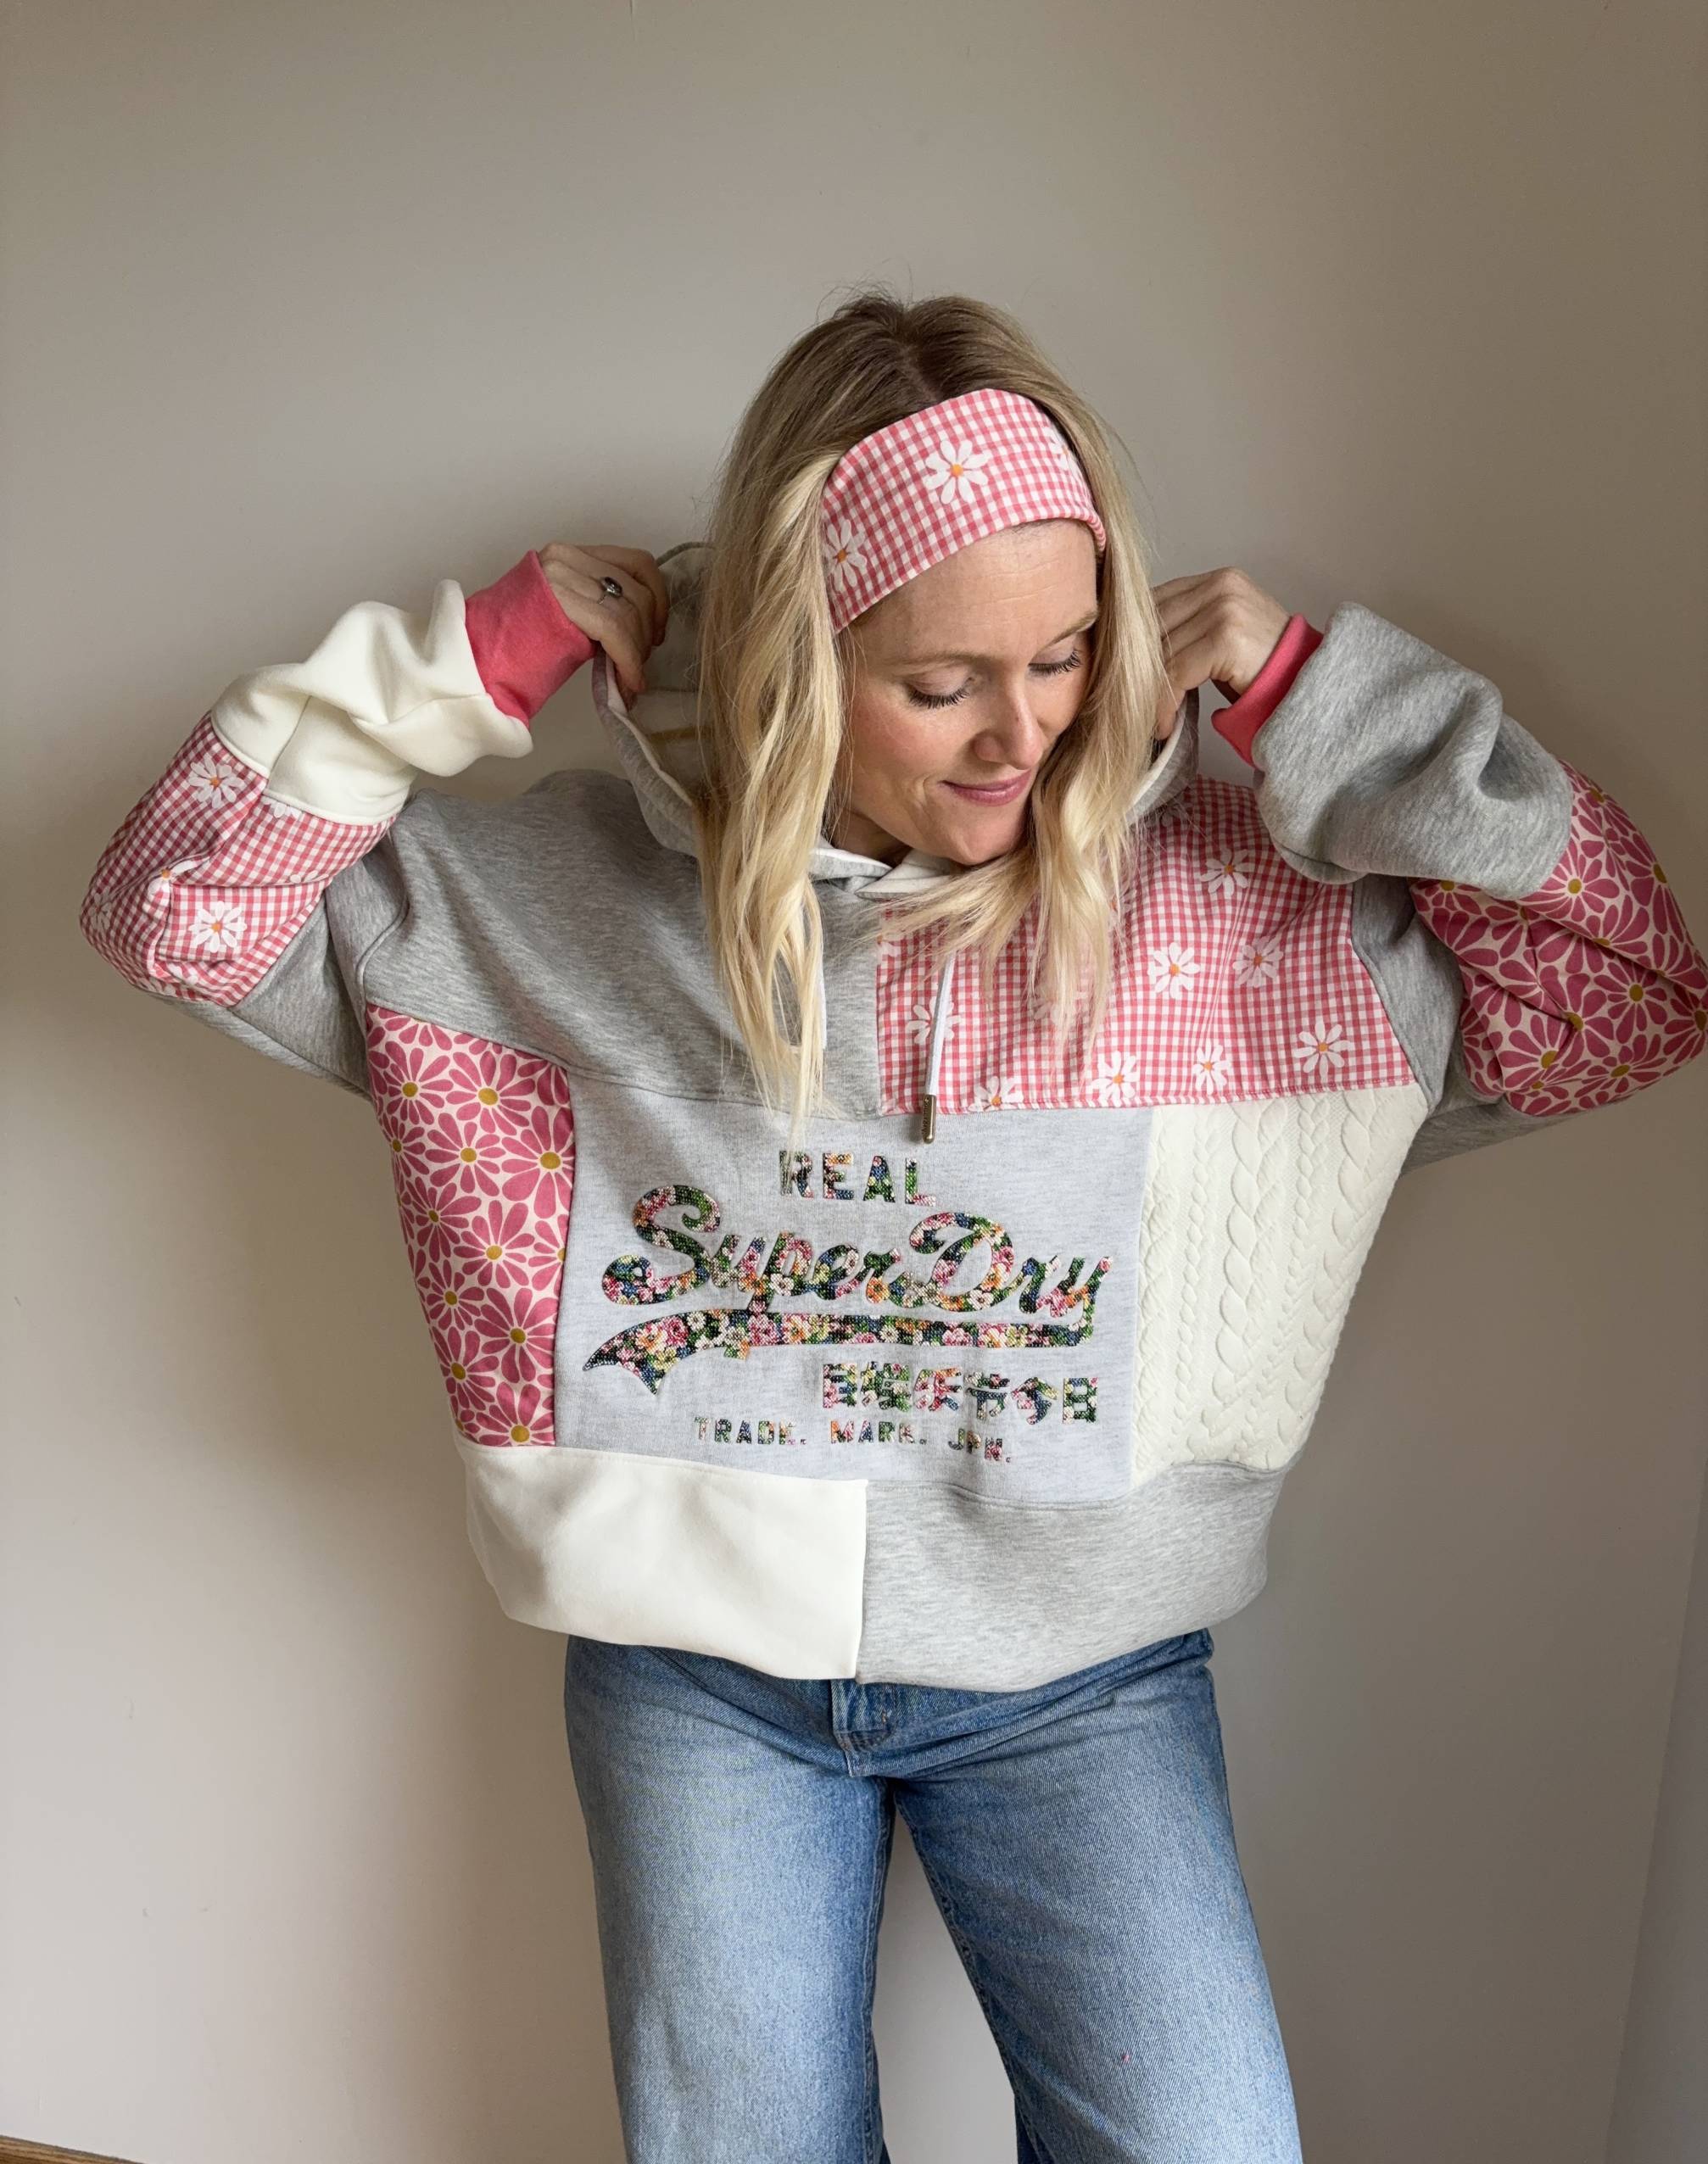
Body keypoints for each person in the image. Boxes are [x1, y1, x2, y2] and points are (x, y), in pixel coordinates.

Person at [77, 290, 1708, 2164]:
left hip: (1082, 1679)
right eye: (941, 682)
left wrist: (1314, 702)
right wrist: (472, 658)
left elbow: (1623, 995)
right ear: (787, 656)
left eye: (1066, 654)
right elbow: (173, 902)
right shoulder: (551, 908)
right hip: (696, 1678)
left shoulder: (1231, 921)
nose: (1023, 734)